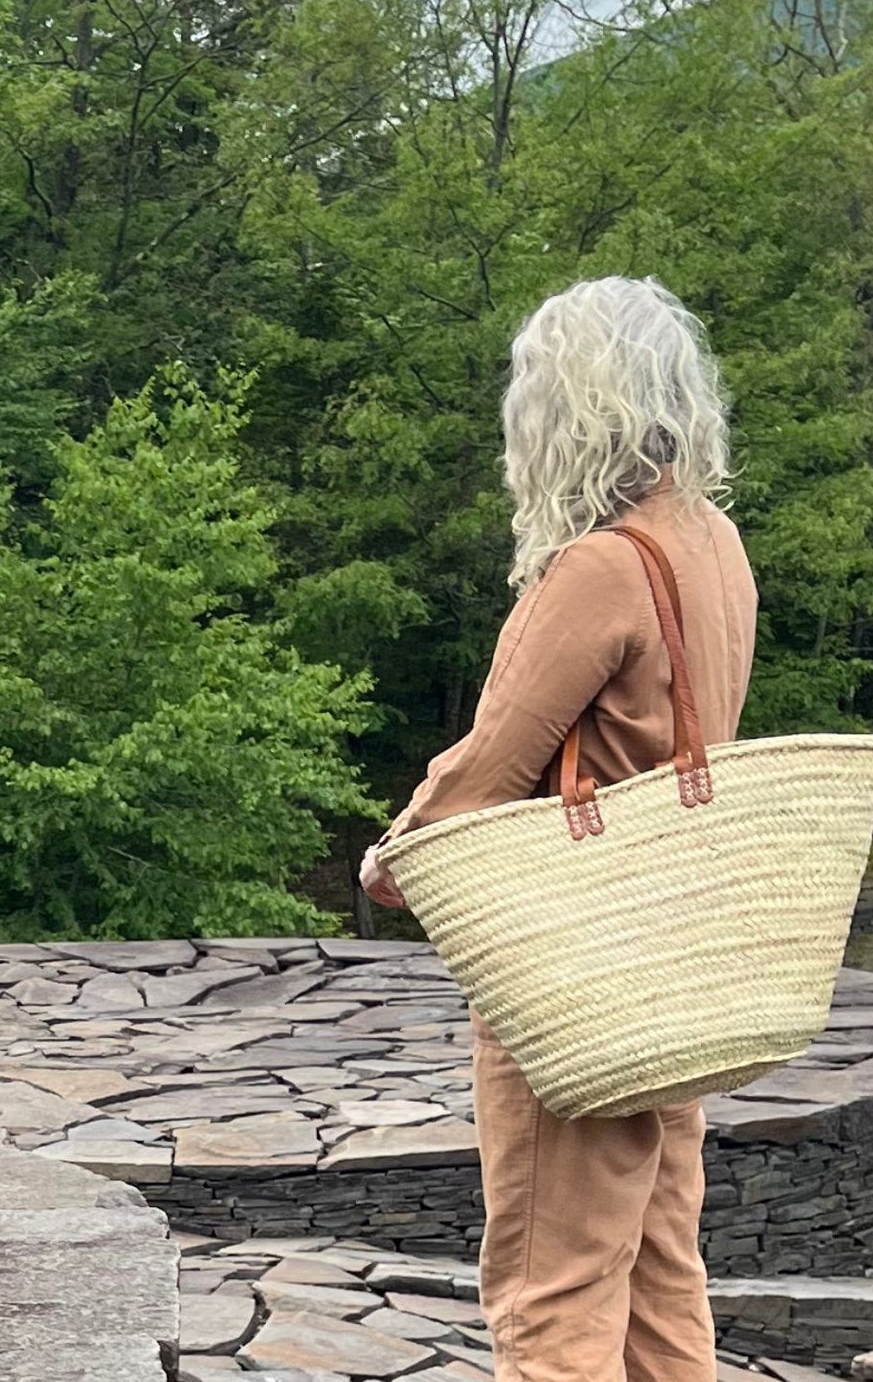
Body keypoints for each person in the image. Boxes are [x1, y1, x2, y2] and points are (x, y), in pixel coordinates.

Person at [361, 274, 757, 1382]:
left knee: (552, 1287)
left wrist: (396, 853)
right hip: (672, 952)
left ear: (565, 408)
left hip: (575, 970)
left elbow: (489, 767)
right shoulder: (712, 541)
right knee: (660, 1270)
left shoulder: (599, 567)